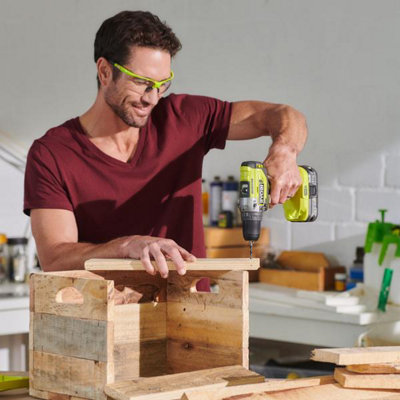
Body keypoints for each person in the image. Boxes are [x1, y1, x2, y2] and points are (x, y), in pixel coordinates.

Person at [24, 10, 307, 279]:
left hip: (195, 308)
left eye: (162, 84)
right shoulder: (52, 154)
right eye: (141, 82)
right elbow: (55, 258)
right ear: (105, 71)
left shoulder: (184, 118)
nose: (152, 97)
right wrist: (126, 246)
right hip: (107, 311)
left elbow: (283, 114)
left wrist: (285, 151)